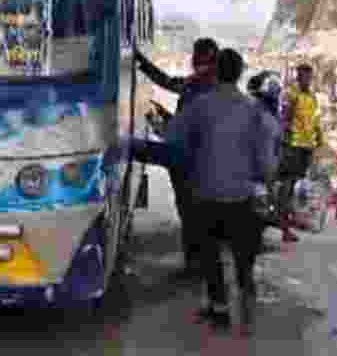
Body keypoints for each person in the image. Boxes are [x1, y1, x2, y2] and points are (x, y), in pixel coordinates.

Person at [164, 48, 280, 336]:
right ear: (239, 74)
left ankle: (219, 308)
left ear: (216, 72)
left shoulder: (200, 107)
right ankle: (245, 304)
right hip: (242, 196)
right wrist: (269, 187)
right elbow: (266, 158)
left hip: (206, 195)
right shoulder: (254, 110)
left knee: (210, 254)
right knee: (243, 255)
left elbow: (175, 138)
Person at [134, 37, 219, 276]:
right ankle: (195, 263)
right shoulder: (195, 84)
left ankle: (199, 265)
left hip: (194, 160)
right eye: (198, 59)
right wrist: (140, 62)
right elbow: (167, 82)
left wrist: (163, 120)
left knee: (194, 214)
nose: (197, 63)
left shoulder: (210, 89)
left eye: (202, 59)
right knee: (189, 212)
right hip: (188, 158)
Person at [278, 63, 324, 242]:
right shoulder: (291, 94)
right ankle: (284, 228)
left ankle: (290, 223)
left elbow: (315, 119)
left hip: (307, 146)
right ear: (298, 77)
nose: (307, 80)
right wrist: (285, 140)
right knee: (288, 185)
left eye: (309, 77)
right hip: (293, 145)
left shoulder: (312, 96)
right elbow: (285, 119)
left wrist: (319, 139)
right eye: (304, 76)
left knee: (296, 185)